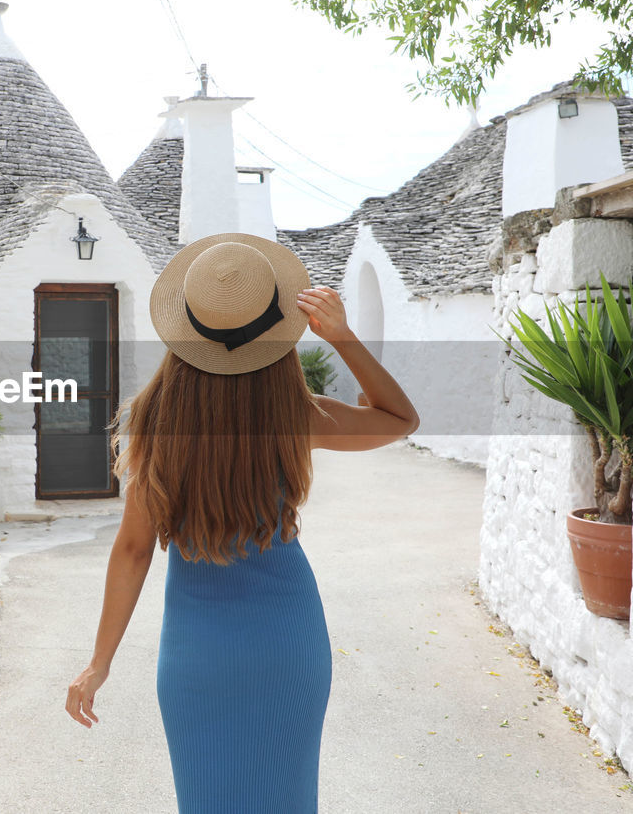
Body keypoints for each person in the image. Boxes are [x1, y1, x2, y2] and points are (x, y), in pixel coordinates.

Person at [63, 232, 419, 813]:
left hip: (197, 654)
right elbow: (399, 419)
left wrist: (98, 663)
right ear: (278, 335)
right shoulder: (298, 415)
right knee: (285, 795)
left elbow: (133, 551)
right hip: (287, 645)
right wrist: (344, 338)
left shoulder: (155, 424)